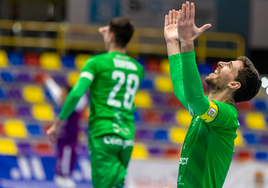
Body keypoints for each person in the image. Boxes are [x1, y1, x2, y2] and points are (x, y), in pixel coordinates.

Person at [164, 2, 261, 188]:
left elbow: (194, 98)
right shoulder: (202, 112)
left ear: (234, 84)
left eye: (229, 66)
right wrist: (171, 41)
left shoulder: (227, 116)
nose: (221, 63)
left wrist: (187, 42)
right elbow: (180, 87)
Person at [46, 17, 144, 188]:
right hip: (127, 136)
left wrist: (57, 123)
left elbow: (76, 93)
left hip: (104, 134)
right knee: (117, 184)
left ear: (111, 36)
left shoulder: (96, 63)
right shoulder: (138, 68)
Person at [42, 74, 87, 188]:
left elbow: (80, 96)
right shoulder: (61, 102)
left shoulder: (76, 104)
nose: (60, 95)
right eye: (61, 93)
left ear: (69, 95)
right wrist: (48, 80)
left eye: (63, 93)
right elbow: (55, 91)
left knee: (64, 174)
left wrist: (84, 82)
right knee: (59, 172)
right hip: (61, 142)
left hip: (69, 143)